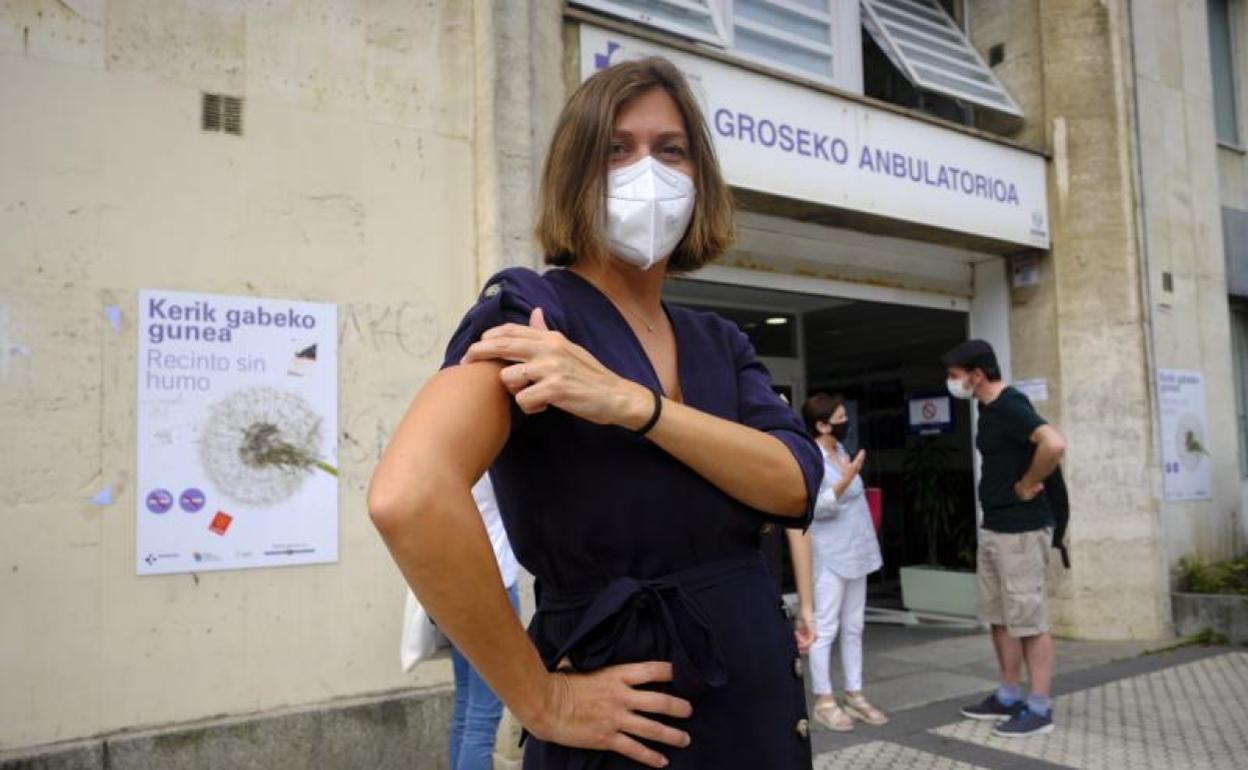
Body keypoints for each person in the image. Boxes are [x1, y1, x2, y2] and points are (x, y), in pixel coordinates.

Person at [368, 56, 824, 770]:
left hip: (757, 723)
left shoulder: (718, 339)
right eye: (617, 148)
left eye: (670, 149)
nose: (648, 169)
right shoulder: (530, 314)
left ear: (700, 177)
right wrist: (540, 700)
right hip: (631, 737)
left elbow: (796, 482)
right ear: (575, 173)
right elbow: (409, 495)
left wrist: (635, 407)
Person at [942, 339, 1067, 738]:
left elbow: (1054, 443)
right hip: (995, 526)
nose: (952, 382)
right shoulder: (987, 407)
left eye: (955, 375)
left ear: (976, 375)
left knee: (1028, 620)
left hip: (1022, 530)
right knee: (1000, 617)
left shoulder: (1011, 405)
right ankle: (1009, 694)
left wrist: (1029, 482)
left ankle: (1039, 706)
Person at [787, 393, 888, 733]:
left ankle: (855, 693)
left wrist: (849, 476)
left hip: (858, 551)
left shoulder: (841, 452)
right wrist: (845, 481)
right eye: (841, 417)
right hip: (829, 556)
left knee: (854, 626)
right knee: (824, 628)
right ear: (822, 424)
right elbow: (815, 507)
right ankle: (824, 700)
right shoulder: (811, 456)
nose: (846, 422)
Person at [449, 475, 521, 770]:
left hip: (452, 584)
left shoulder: (445, 458)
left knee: (466, 708)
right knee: (483, 718)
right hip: (493, 586)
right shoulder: (489, 458)